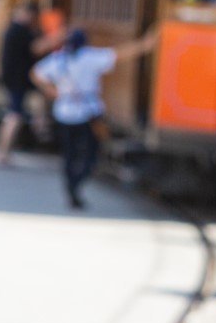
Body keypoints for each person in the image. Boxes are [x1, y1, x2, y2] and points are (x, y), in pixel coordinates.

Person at [31, 27, 155, 209]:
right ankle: (77, 184)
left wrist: (49, 89)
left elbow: (35, 73)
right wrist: (144, 45)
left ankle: (71, 186)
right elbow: (118, 55)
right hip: (87, 113)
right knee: (91, 153)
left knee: (69, 155)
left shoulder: (58, 59)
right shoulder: (89, 58)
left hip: (64, 112)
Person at [0, 0, 61, 165]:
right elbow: (36, 48)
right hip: (18, 79)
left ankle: (40, 124)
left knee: (42, 95)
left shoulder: (14, 28)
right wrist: (58, 37)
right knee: (14, 116)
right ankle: (3, 152)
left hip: (20, 78)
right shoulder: (18, 30)